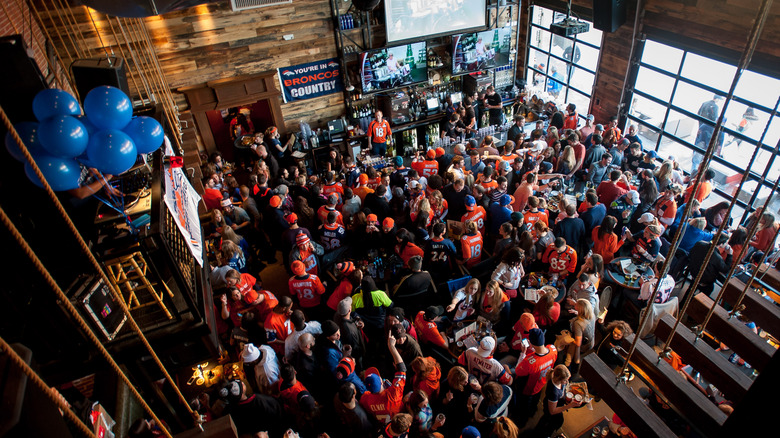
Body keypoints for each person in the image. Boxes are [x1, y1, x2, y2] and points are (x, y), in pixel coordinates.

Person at [513, 328, 558, 427]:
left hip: (528, 389)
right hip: (541, 383)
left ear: (531, 343)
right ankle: (532, 412)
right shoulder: (553, 349)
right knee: (534, 402)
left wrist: (523, 353)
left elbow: (517, 371)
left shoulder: (529, 362)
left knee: (523, 407)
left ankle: (521, 423)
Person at [359, 334, 407, 425]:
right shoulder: (393, 394)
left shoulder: (365, 398)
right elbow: (402, 369)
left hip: (384, 425)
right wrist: (392, 347)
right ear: (381, 381)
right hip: (400, 420)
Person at [534, 365, 582, 437]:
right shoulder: (553, 392)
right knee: (548, 424)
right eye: (565, 380)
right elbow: (552, 411)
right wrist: (569, 406)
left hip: (558, 406)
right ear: (559, 379)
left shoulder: (558, 382)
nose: (567, 382)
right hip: (551, 412)